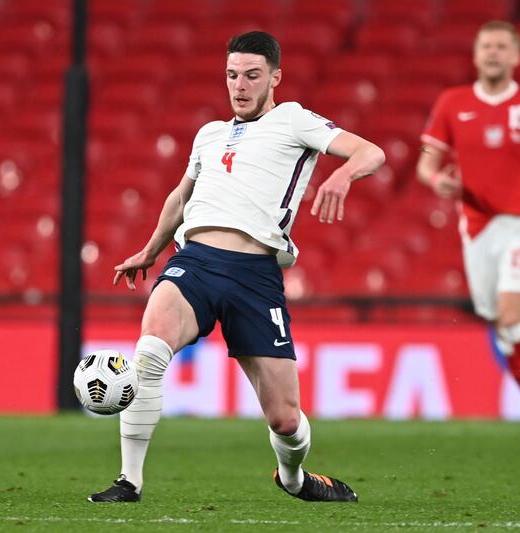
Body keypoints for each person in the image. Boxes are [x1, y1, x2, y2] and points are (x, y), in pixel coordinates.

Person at [88, 31, 385, 502]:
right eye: (232, 75)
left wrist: (343, 175)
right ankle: (129, 481)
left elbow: (372, 151)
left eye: (251, 75)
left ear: (275, 78)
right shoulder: (210, 134)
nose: (240, 86)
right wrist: (150, 250)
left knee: (285, 420)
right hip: (196, 264)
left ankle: (294, 478)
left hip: (255, 277)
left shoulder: (294, 120)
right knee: (148, 351)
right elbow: (181, 197)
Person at [417, 20, 520, 454]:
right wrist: (435, 180)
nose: (493, 53)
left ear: (516, 56)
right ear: (475, 53)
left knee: (512, 317)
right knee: (504, 330)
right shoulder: (452, 103)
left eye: (502, 46)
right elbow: (427, 159)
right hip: (478, 229)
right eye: (486, 45)